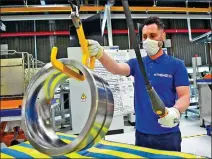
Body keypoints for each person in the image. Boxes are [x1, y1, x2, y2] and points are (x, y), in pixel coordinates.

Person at [87, 16, 190, 152]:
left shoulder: (176, 65)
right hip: (142, 134)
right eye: (145, 36)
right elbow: (116, 69)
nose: (148, 40)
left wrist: (175, 111)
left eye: (153, 36)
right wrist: (100, 54)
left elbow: (185, 96)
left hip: (168, 134)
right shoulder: (137, 63)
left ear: (163, 36)